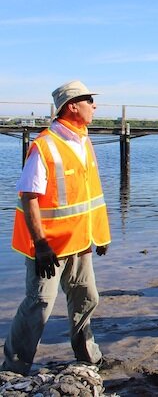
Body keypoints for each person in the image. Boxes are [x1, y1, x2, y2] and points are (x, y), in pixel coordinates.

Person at [3, 80, 111, 375]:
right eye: (90, 100)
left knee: (87, 298)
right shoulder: (45, 145)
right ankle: (14, 369)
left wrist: (99, 235)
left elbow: (88, 195)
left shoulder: (83, 140)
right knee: (39, 304)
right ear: (72, 106)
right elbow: (29, 197)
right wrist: (40, 245)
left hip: (80, 241)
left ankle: (88, 358)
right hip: (49, 248)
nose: (95, 105)